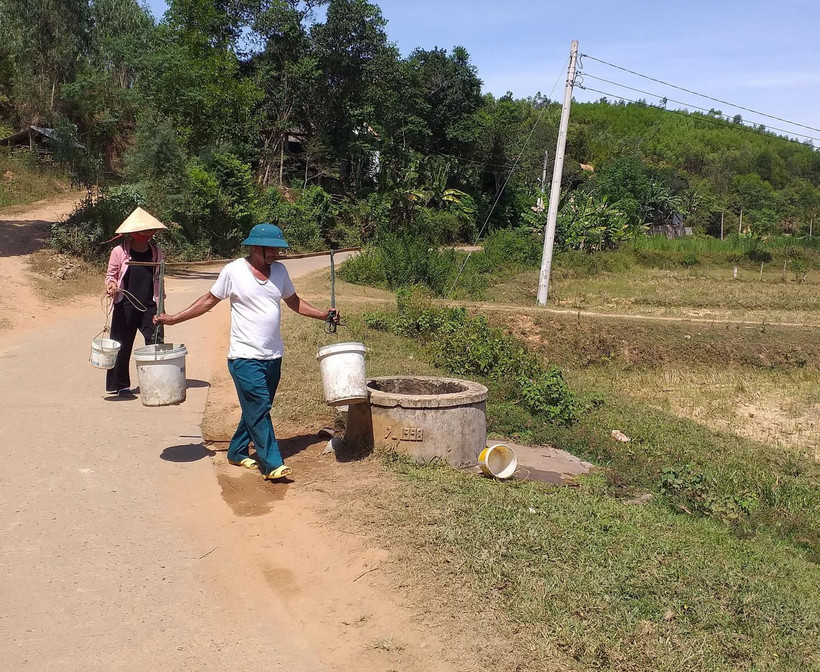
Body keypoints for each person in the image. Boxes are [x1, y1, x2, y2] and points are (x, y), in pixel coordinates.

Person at [154, 223, 338, 481]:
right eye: (270, 250)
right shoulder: (234, 271)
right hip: (244, 357)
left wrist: (322, 315)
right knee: (260, 407)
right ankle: (272, 463)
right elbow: (208, 300)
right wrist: (174, 318)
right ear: (254, 247)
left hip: (273, 356)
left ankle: (238, 450)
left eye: (278, 250)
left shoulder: (280, 272)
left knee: (257, 408)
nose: (276, 254)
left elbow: (294, 302)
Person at [105, 207, 167, 397]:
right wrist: (111, 286)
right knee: (121, 344)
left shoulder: (157, 253)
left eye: (149, 231)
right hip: (125, 304)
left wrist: (161, 304)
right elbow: (111, 276)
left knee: (155, 342)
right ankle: (121, 385)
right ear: (132, 233)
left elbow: (159, 279)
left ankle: (156, 380)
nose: (146, 235)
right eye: (142, 231)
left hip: (150, 305)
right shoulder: (119, 251)